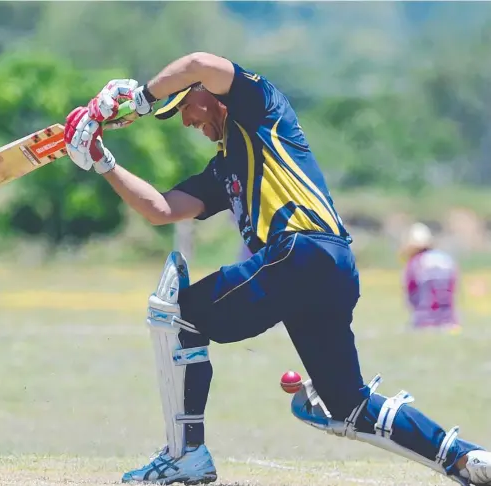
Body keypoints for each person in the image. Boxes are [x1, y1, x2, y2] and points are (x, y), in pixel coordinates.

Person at [63, 52, 490, 485]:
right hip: (332, 265)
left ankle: (184, 453)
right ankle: (464, 458)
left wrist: (140, 97)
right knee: (346, 406)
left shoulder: (260, 109)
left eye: (184, 108)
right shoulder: (225, 165)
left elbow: (198, 61)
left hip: (299, 251)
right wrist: (104, 161)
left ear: (207, 96)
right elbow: (161, 208)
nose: (186, 122)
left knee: (178, 313)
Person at [401, 222, 460, 332]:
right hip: (449, 320)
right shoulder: (445, 258)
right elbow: (453, 287)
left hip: (425, 320)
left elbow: (411, 291)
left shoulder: (415, 262)